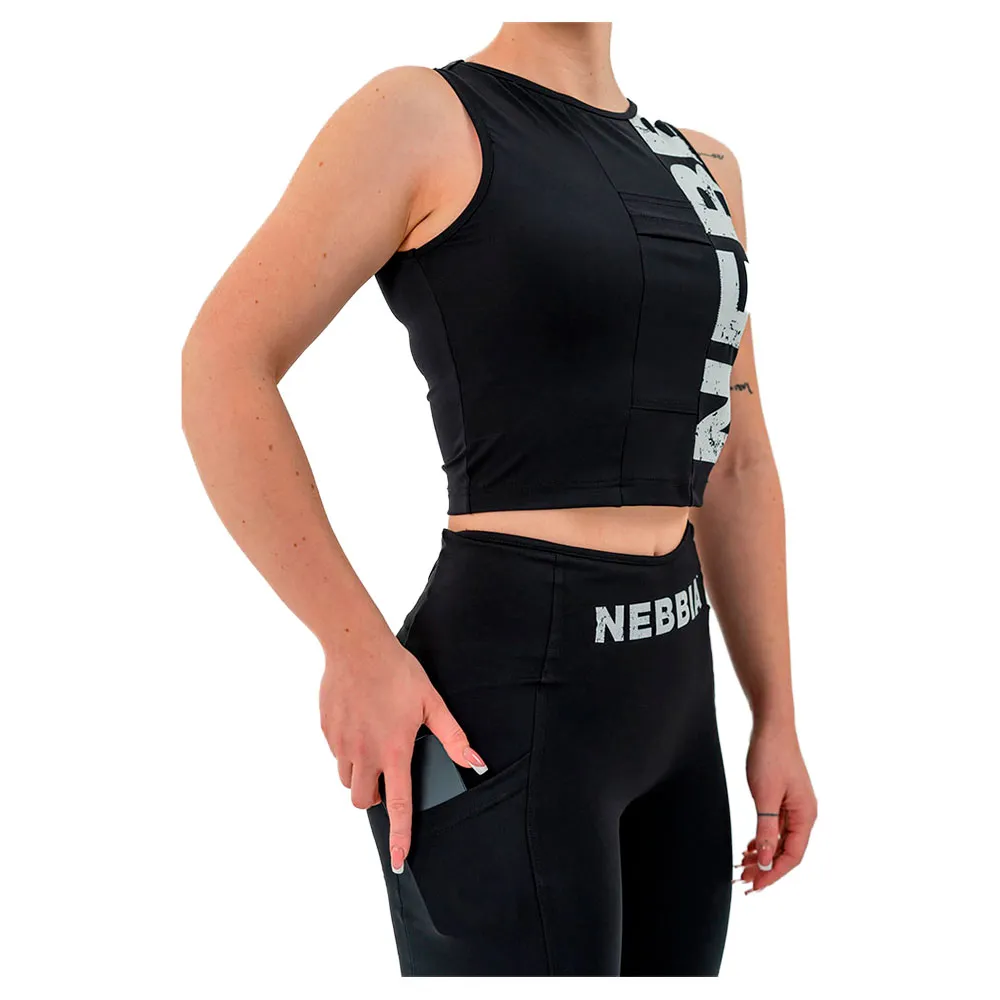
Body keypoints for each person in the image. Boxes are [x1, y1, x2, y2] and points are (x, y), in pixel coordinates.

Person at [181, 21, 816, 977]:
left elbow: (737, 461)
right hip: (503, 699)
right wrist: (353, 647)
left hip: (677, 703)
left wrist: (777, 714)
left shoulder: (706, 167)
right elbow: (222, 366)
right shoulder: (420, 117)